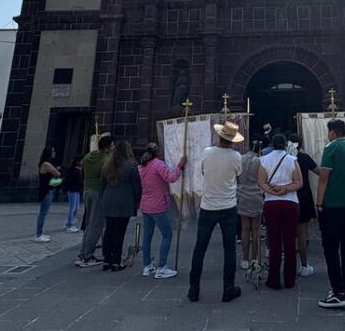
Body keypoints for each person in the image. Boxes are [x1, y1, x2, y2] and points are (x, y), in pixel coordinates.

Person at [188, 121, 244, 304]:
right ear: (233, 141)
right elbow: (238, 176)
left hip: (208, 206)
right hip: (228, 207)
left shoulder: (207, 152)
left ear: (218, 137)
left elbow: (203, 172)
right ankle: (228, 288)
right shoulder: (236, 156)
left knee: (200, 247)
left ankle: (193, 289)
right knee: (229, 249)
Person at [316, 118, 345, 309]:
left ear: (332, 133)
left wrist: (319, 204)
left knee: (331, 248)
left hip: (333, 205)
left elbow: (323, 179)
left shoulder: (331, 148)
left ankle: (337, 292)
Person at [258, 133, 303, 289]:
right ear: (285, 145)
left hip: (271, 203)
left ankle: (274, 279)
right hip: (290, 202)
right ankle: (289, 279)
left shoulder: (264, 160)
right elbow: (299, 182)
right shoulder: (292, 160)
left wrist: (271, 191)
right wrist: (285, 189)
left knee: (274, 241)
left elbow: (260, 181)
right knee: (290, 242)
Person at [138, 142, 185, 278]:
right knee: (167, 234)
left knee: (147, 236)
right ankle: (162, 266)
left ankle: (147, 266)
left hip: (146, 204)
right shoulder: (158, 164)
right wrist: (180, 166)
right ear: (156, 152)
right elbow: (170, 178)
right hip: (158, 205)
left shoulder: (142, 166)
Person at [99, 140, 142, 272]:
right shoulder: (131, 165)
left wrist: (103, 198)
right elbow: (137, 186)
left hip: (108, 200)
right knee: (119, 231)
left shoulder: (107, 165)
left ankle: (107, 259)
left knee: (109, 231)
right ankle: (116, 261)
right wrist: (138, 199)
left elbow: (102, 185)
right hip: (123, 202)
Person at [75, 133, 113, 267]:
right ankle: (88, 256)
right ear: (107, 148)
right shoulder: (105, 160)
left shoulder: (87, 157)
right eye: (112, 146)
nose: (113, 148)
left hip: (87, 191)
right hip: (98, 192)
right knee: (96, 225)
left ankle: (82, 254)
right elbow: (107, 177)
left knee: (88, 224)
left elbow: (82, 172)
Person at [287, 134, 318, 277]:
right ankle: (304, 265)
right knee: (301, 233)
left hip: (287, 195)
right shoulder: (304, 158)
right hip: (303, 196)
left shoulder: (285, 160)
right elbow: (319, 171)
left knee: (287, 234)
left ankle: (290, 266)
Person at [237, 140, 264, 270]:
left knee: (245, 228)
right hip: (256, 194)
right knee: (256, 228)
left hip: (242, 194)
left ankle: (245, 258)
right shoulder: (260, 161)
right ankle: (255, 258)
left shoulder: (240, 159)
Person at [33, 146, 61, 242]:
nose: (54, 152)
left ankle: (40, 232)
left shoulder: (46, 163)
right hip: (46, 190)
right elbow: (57, 173)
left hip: (48, 189)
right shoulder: (46, 164)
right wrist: (57, 170)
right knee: (43, 213)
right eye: (52, 151)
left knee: (43, 212)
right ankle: (38, 234)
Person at [63, 155, 83, 233]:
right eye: (81, 161)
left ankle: (70, 223)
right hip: (72, 190)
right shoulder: (74, 170)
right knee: (73, 208)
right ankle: (69, 225)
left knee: (76, 208)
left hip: (76, 190)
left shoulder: (77, 170)